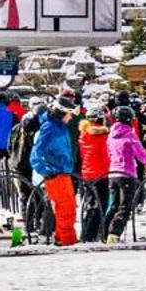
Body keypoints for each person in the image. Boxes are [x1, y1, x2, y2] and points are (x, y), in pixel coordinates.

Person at [32, 99, 79, 247]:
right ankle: (67, 241)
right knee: (65, 209)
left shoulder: (59, 127)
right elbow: (36, 153)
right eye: (69, 114)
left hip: (63, 172)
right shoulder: (50, 128)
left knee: (68, 208)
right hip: (55, 174)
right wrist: (46, 171)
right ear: (61, 113)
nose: (71, 117)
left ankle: (62, 238)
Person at [103, 105, 146, 242]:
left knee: (113, 205)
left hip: (112, 173)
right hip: (127, 173)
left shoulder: (111, 135)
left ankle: (103, 232)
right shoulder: (130, 135)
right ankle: (114, 234)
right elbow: (140, 154)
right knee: (125, 206)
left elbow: (108, 153)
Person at [76, 106, 111, 241]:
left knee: (91, 204)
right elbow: (106, 156)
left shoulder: (83, 134)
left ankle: (87, 233)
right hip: (102, 173)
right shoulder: (102, 136)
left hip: (87, 172)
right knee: (100, 205)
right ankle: (91, 234)